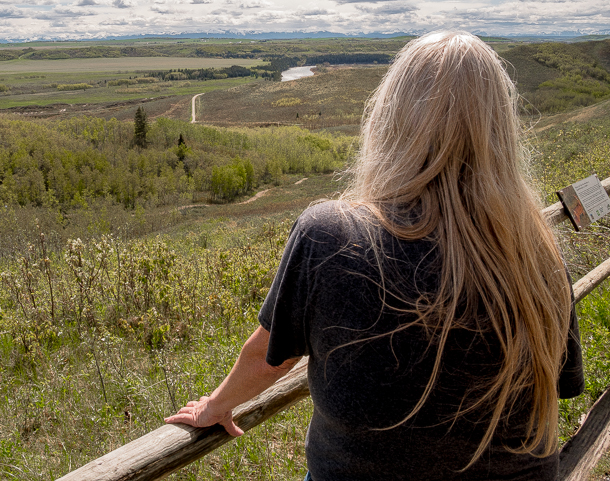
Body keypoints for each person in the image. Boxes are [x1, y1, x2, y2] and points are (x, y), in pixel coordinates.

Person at [165, 31, 584, 480]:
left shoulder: (331, 233)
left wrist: (217, 405)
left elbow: (270, 355)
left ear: (390, 118)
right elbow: (563, 383)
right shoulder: (534, 248)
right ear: (500, 128)